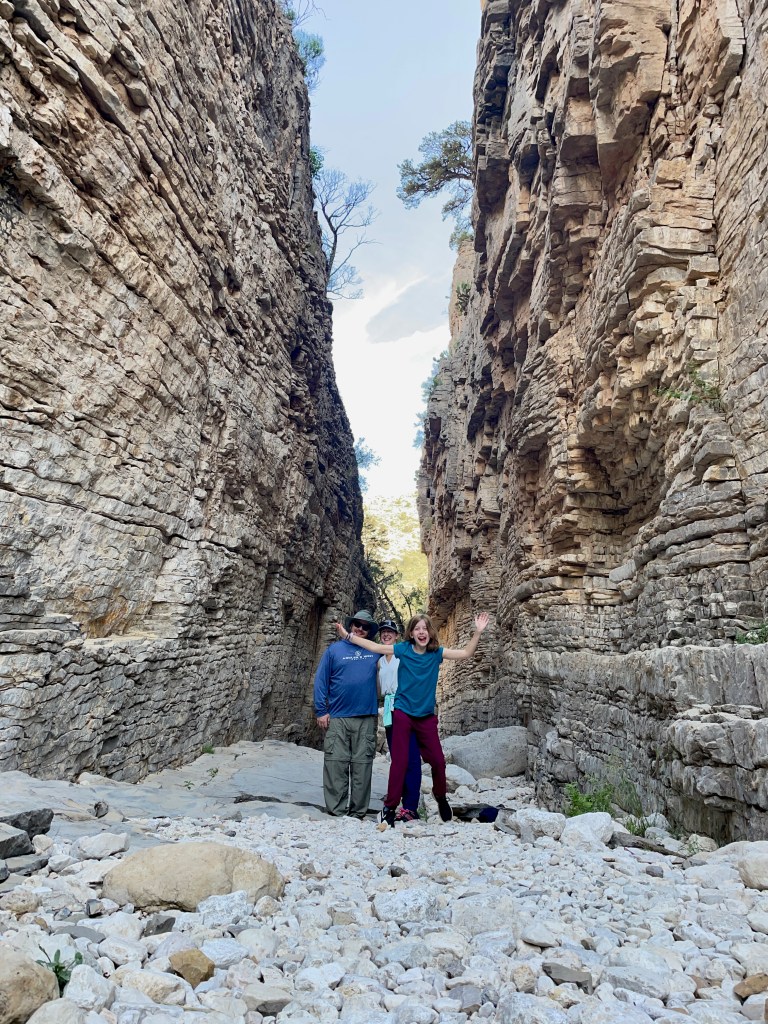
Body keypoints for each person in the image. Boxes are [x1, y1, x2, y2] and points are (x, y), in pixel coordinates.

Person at [334, 610, 490, 827]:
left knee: (437, 761)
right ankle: (390, 808)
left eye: (425, 628)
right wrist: (347, 636)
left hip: (426, 718)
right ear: (411, 633)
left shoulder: (436, 653)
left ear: (430, 632)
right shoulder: (403, 649)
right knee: (400, 762)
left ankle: (440, 796)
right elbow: (376, 648)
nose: (421, 632)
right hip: (403, 713)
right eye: (417, 629)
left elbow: (466, 653)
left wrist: (478, 632)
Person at [313, 609, 379, 818]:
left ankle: (358, 812)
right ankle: (337, 811)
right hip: (338, 716)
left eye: (365, 626)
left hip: (366, 717)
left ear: (369, 631)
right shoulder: (334, 650)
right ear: (351, 625)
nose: (360, 628)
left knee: (362, 766)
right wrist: (321, 710)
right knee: (335, 764)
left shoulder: (376, 650)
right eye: (357, 624)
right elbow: (321, 680)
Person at [377, 619, 422, 823]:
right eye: (383, 632)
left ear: (397, 635)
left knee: (411, 757)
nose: (386, 634)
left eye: (390, 632)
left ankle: (411, 807)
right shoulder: (379, 660)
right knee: (397, 758)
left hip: (405, 705)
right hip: (389, 708)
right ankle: (399, 801)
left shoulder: (404, 654)